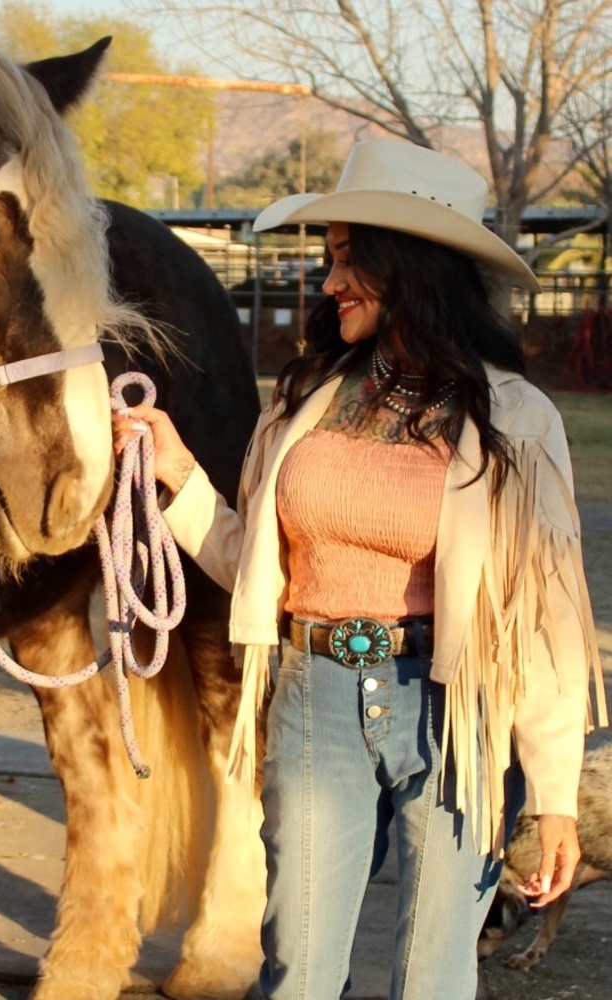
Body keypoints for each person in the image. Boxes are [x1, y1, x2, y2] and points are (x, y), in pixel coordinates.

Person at [113, 140, 607, 1000]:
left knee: (433, 978)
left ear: (411, 268)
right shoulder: (306, 402)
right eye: (329, 258)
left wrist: (553, 796)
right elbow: (258, 564)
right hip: (315, 701)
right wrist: (178, 473)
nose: (331, 282)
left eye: (350, 260)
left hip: (457, 716)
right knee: (298, 972)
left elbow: (549, 622)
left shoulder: (516, 419)